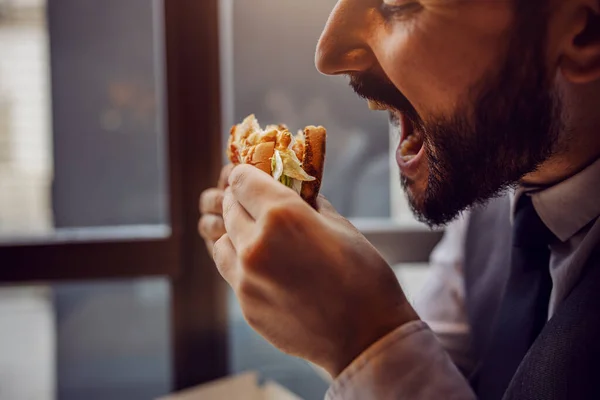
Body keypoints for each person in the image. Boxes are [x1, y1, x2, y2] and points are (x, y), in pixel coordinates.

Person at [199, 0, 600, 398]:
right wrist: (314, 297)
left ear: (584, 34)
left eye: (397, 3)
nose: (328, 54)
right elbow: (434, 363)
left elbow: (390, 353)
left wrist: (361, 336)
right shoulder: (497, 193)